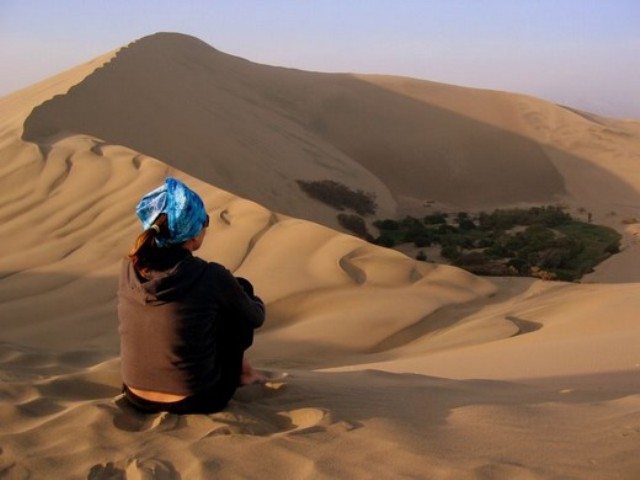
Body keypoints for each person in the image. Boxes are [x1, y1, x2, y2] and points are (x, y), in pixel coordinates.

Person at [117, 177, 265, 414]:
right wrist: (248, 297)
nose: (206, 226)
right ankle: (243, 372)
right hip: (198, 398)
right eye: (204, 221)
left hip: (134, 394)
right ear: (193, 230)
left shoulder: (129, 268)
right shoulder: (211, 276)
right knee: (240, 290)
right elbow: (255, 318)